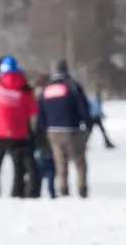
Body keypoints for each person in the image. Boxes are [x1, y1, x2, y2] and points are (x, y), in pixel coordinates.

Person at [0, 55, 38, 198]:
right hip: (19, 135)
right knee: (18, 168)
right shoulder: (25, 90)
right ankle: (16, 194)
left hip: (0, 133)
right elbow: (32, 111)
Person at [39, 59, 91, 198]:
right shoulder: (73, 86)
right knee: (79, 162)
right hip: (72, 129)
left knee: (60, 162)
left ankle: (63, 189)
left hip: (53, 131)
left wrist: (44, 129)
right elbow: (84, 108)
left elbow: (41, 112)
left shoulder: (47, 88)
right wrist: (86, 126)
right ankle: (82, 190)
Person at [32, 74, 56, 198]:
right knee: (48, 166)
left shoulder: (36, 98)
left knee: (44, 166)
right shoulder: (46, 98)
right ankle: (49, 193)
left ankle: (37, 191)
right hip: (45, 136)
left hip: (40, 137)